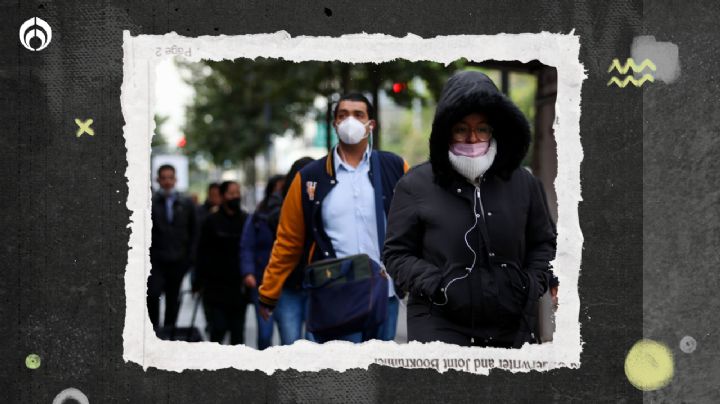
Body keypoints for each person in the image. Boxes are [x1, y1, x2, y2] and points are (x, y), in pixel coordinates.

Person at [383, 70, 559, 348]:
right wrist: (438, 285)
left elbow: (544, 243)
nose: (472, 138)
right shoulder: (415, 184)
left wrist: (530, 284)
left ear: (495, 131)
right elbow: (396, 254)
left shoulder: (524, 183)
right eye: (462, 128)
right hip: (439, 322)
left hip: (511, 325)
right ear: (446, 131)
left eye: (482, 129)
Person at [258, 93, 409, 343]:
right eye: (343, 115)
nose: (350, 120)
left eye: (358, 115)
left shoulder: (395, 167)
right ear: (335, 124)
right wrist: (269, 293)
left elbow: (416, 225)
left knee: (378, 373)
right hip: (336, 295)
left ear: (371, 124)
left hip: (386, 295)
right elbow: (288, 240)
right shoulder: (309, 177)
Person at [264, 157, 315, 345]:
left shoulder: (322, 200)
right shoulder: (278, 202)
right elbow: (278, 224)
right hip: (288, 286)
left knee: (315, 347)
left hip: (315, 285)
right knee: (290, 347)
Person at [195, 181, 250, 345]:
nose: (235, 197)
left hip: (239, 286)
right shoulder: (211, 221)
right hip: (215, 287)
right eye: (231, 193)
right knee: (218, 329)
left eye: (237, 193)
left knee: (238, 333)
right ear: (223, 196)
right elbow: (202, 252)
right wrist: (198, 281)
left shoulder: (246, 220)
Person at [148, 164, 197, 332]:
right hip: (156, 260)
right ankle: (153, 329)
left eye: (170, 177)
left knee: (173, 297)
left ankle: (169, 331)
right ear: (158, 180)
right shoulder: (151, 202)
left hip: (178, 260)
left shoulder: (186, 203)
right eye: (164, 178)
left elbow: (194, 231)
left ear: (175, 179)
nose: (167, 181)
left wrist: (189, 259)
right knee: (153, 294)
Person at [240, 174, 285, 349]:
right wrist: (248, 272)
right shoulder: (258, 217)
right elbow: (247, 246)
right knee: (265, 334)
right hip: (263, 282)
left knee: (289, 336)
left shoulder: (293, 215)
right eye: (277, 189)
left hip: (286, 284)